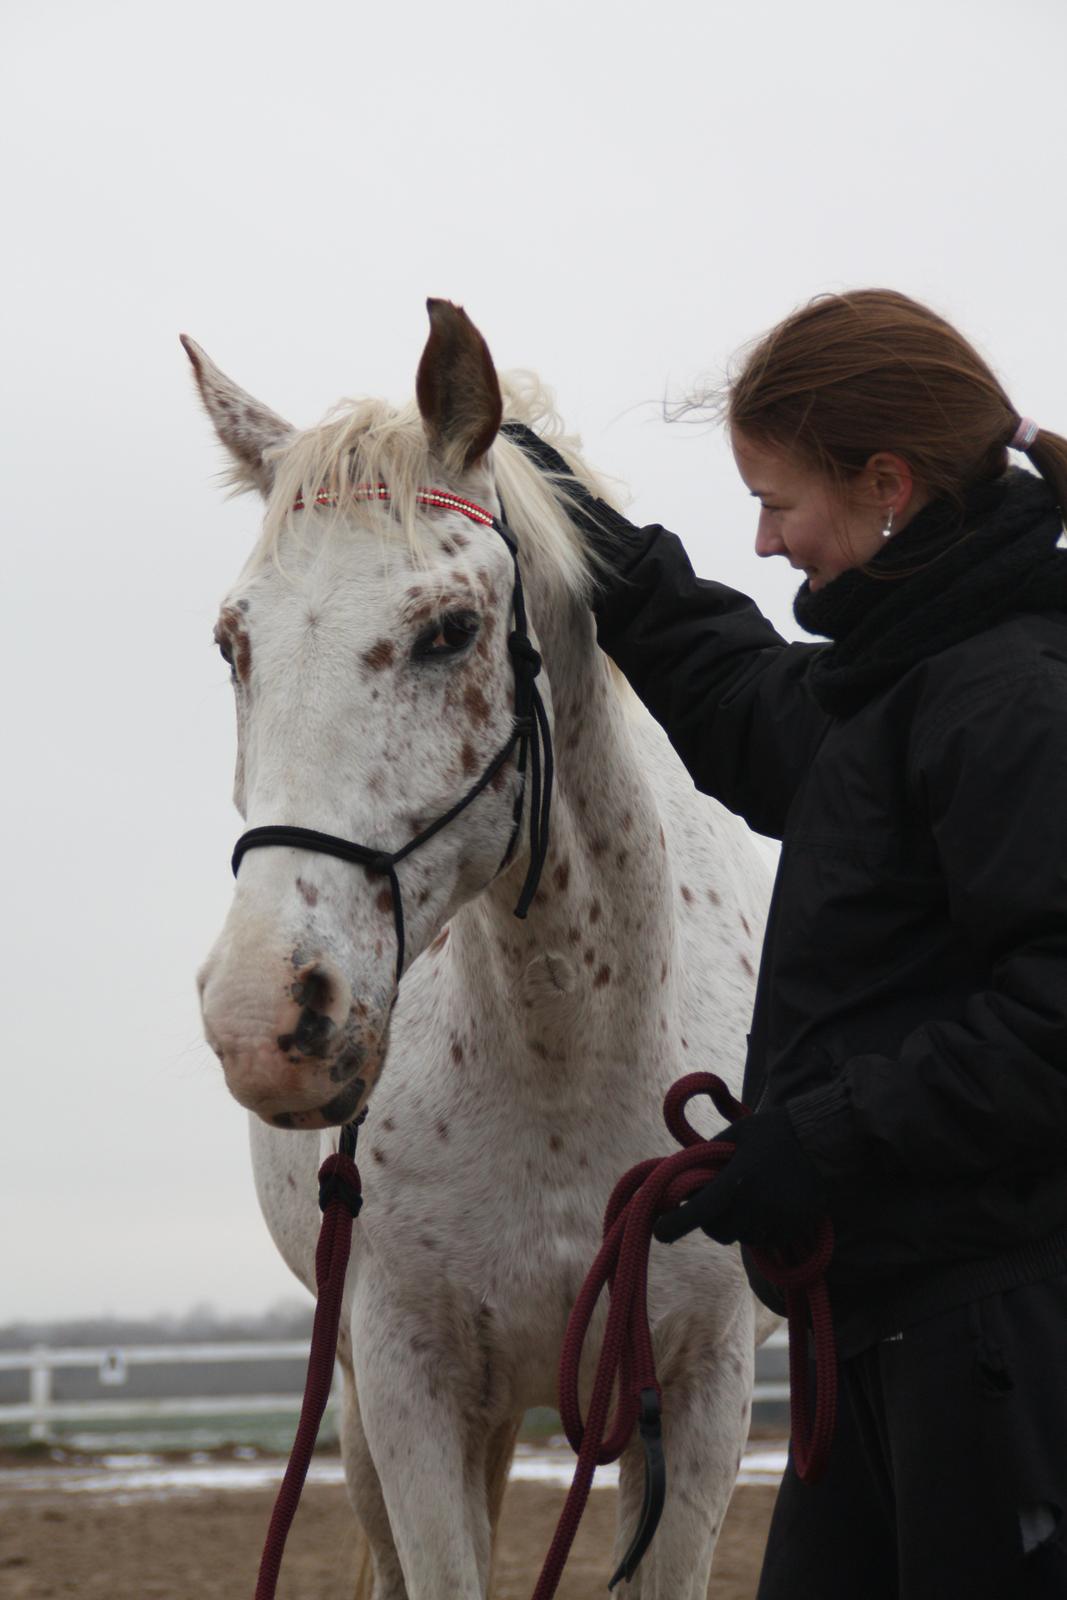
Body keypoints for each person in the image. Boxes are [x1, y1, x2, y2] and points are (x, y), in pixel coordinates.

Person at [505, 288, 1067, 1599]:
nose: (759, 541)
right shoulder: (909, 682)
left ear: (889, 485)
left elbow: (1058, 1016)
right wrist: (592, 537)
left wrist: (815, 1142)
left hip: (1001, 1352)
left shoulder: (1011, 700)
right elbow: (755, 705)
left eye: (776, 501)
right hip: (892, 1332)